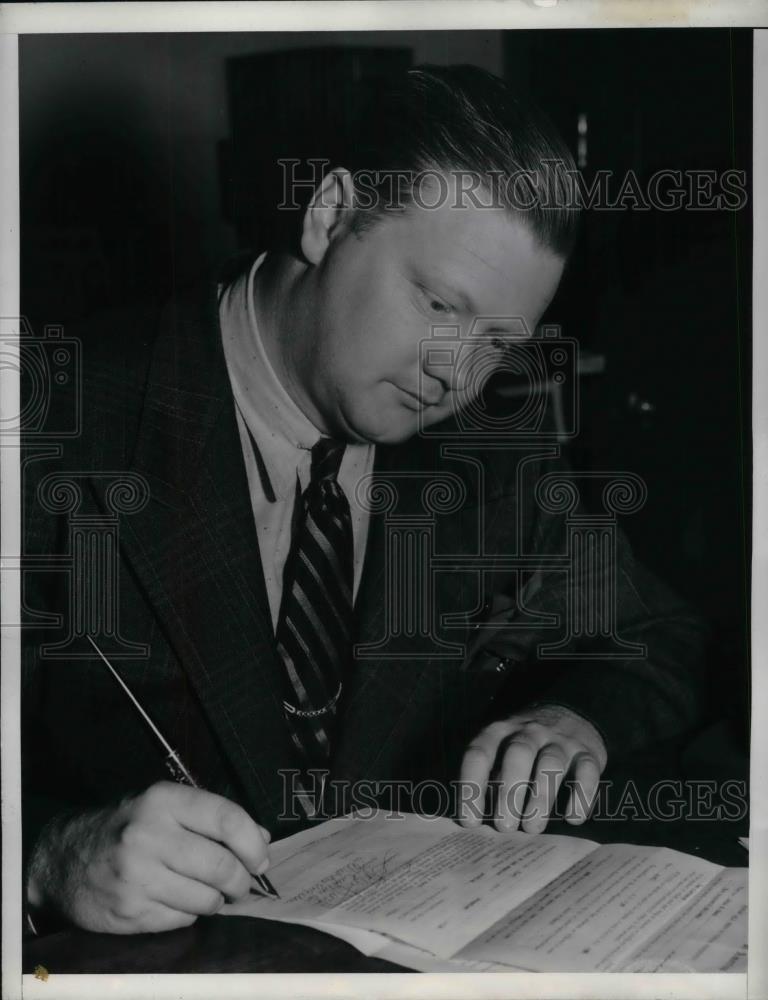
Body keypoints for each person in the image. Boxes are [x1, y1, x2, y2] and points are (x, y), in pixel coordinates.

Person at [21, 65, 708, 936]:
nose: (454, 373)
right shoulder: (51, 426)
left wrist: (576, 717)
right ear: (331, 213)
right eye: (438, 304)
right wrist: (48, 858)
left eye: (498, 342)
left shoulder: (497, 443)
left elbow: (661, 638)